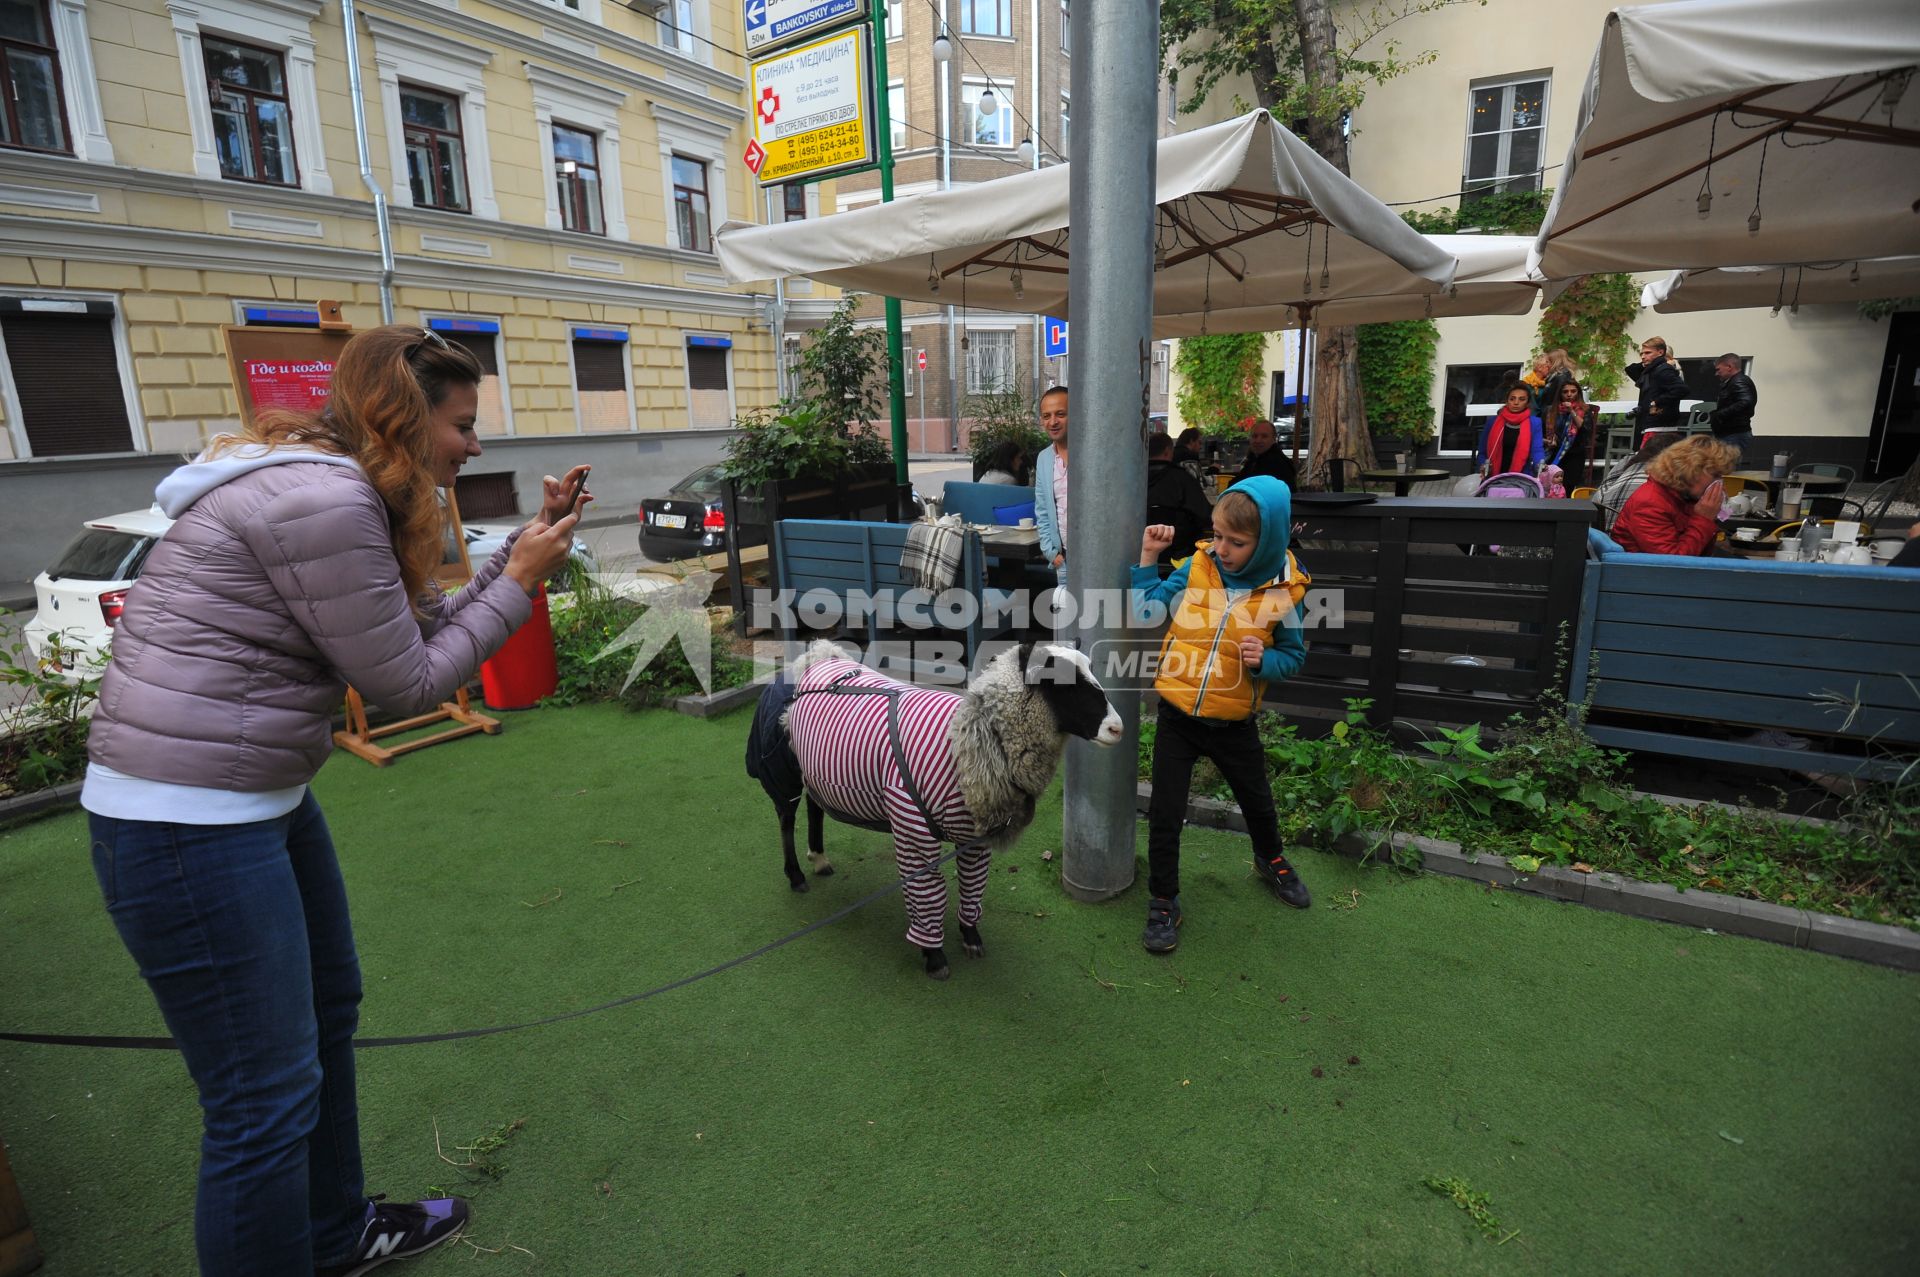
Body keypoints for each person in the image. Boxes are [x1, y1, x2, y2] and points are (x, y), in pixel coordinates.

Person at [80, 325, 587, 1277]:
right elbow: (407, 682)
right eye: (463, 424)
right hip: (182, 821)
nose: (474, 447)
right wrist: (518, 584)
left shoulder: (331, 487)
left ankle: (332, 1233)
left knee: (329, 1009)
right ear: (405, 415)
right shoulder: (325, 497)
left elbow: (415, 623)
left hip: (248, 797)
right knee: (260, 1103)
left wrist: (515, 556)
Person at [1132, 477, 1313, 953]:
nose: (1222, 549)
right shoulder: (1196, 566)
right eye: (1217, 535)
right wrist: (1148, 559)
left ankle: (1270, 859)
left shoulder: (1284, 592)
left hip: (1234, 723)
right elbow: (1147, 612)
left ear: (1268, 539)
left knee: (1257, 801)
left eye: (1237, 541)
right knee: (1165, 814)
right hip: (1177, 717)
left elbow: (1293, 657)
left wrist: (1265, 661)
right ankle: (1164, 899)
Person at [1610, 434, 1741, 556]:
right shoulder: (1650, 503)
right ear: (1690, 470)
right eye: (1715, 475)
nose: (1719, 483)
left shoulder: (1682, 497)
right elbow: (1674, 564)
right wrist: (1704, 519)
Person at [1592, 429, 1684, 531]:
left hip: (1601, 536)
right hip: (1624, 540)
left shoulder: (1628, 464)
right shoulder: (1658, 483)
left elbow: (1596, 500)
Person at [1144, 432, 1213, 568]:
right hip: (1179, 556)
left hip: (1138, 552)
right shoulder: (1183, 480)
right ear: (1168, 451)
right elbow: (1204, 516)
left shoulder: (1130, 482)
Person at [1032, 384, 1070, 584]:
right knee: (1066, 613)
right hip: (1063, 560)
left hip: (1096, 559)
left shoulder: (1092, 455)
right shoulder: (1044, 458)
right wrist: (1050, 552)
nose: (1053, 422)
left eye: (1060, 414)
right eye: (1047, 416)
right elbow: (1042, 510)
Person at [1475, 382, 1544, 478]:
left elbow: (1537, 450)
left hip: (1521, 477)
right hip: (1492, 476)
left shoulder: (1535, 423)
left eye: (1522, 399)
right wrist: (1483, 465)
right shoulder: (1492, 421)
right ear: (1507, 401)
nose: (1516, 403)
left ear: (1528, 403)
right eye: (1512, 399)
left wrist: (1540, 465)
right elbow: (1482, 452)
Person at [1625, 336, 1686, 442]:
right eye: (1642, 354)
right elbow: (1630, 370)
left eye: (1648, 353)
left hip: (1660, 425)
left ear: (1660, 352)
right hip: (1653, 424)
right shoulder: (1652, 370)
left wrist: (1657, 401)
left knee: (1651, 456)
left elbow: (1681, 389)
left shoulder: (1663, 370)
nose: (1643, 356)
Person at [1707, 352, 1758, 462]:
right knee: (1723, 468)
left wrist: (1720, 414)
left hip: (1733, 434)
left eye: (1718, 369)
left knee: (1726, 470)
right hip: (1730, 433)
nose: (1717, 374)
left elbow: (1746, 401)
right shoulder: (1734, 382)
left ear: (1729, 367)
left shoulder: (1739, 381)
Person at [1545, 378, 1594, 487]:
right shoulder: (1551, 410)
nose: (1569, 394)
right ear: (1560, 394)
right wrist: (1549, 440)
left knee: (1568, 486)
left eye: (1573, 391)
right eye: (1565, 392)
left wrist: (1572, 411)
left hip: (1574, 453)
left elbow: (1584, 428)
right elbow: (1547, 432)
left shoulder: (1585, 409)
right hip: (1554, 451)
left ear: (1578, 393)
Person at [1234, 417, 1298, 489]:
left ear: (1274, 439)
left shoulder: (1278, 463)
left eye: (1264, 436)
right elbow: (1235, 483)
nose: (1258, 440)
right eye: (1254, 436)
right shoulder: (1253, 460)